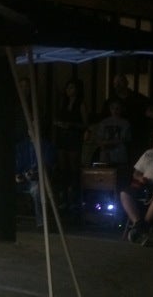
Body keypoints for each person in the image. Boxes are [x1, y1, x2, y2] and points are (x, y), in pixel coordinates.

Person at [52, 78, 88, 210]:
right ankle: (64, 198)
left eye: (72, 87)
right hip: (62, 137)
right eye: (67, 88)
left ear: (77, 89)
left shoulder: (80, 104)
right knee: (63, 169)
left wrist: (70, 125)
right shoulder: (63, 102)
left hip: (73, 137)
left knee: (74, 169)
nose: (69, 90)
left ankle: (74, 199)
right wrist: (58, 123)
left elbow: (85, 124)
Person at [101, 71, 149, 162]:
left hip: (136, 139)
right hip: (115, 141)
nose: (117, 85)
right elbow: (103, 119)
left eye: (120, 82)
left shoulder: (138, 99)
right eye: (115, 83)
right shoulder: (110, 101)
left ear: (126, 82)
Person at [95, 99, 132, 167]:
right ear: (110, 109)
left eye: (117, 108)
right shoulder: (104, 122)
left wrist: (106, 143)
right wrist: (103, 145)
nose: (115, 111)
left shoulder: (125, 123)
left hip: (120, 154)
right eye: (112, 108)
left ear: (121, 109)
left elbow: (124, 139)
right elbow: (98, 139)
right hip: (105, 155)